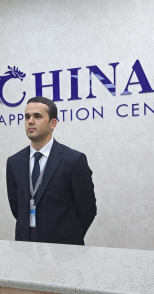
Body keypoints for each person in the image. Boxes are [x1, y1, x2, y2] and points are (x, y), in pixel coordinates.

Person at [6, 96, 97, 245]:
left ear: (53, 123)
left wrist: (69, 236)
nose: (30, 121)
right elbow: (16, 207)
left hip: (64, 249)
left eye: (37, 116)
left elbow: (87, 209)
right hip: (24, 246)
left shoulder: (73, 160)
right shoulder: (14, 162)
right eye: (27, 117)